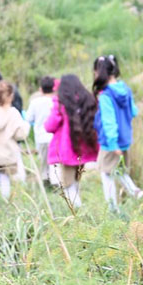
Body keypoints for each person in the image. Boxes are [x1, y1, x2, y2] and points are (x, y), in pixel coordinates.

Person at [93, 55, 143, 211]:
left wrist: (112, 143)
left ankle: (113, 209)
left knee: (106, 173)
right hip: (125, 138)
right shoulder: (125, 89)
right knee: (119, 170)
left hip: (111, 142)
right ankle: (136, 193)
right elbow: (134, 111)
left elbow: (109, 122)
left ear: (98, 72)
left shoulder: (106, 96)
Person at [44, 74, 99, 207]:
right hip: (84, 148)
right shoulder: (88, 101)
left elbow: (50, 126)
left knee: (67, 183)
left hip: (67, 150)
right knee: (76, 179)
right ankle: (78, 207)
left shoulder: (61, 104)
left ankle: (77, 210)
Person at [25, 76, 56, 183]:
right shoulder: (56, 101)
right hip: (54, 137)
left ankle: (45, 182)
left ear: (40, 89)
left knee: (43, 163)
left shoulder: (35, 102)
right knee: (54, 163)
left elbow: (28, 118)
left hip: (41, 137)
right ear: (54, 88)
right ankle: (55, 183)